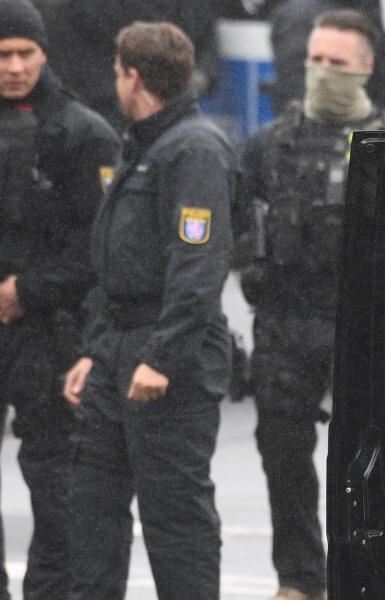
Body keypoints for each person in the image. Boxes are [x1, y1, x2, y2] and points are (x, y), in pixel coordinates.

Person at [236, 9, 385, 599]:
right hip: (287, 323)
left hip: (368, 326)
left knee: (373, 463)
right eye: (315, 60)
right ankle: (298, 579)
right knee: (283, 455)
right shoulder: (268, 146)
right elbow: (236, 225)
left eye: (336, 62)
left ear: (366, 67)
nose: (322, 71)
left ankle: (371, 577)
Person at [62, 21, 235, 600]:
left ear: (132, 77)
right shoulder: (142, 145)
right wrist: (94, 351)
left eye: (117, 71)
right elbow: (114, 265)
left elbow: (199, 264)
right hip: (117, 346)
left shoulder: (194, 149)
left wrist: (162, 358)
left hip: (169, 353)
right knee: (91, 506)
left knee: (175, 516)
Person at [0, 1, 120, 597]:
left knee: (55, 482)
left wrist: (23, 291)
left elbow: (99, 249)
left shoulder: (83, 132)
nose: (16, 67)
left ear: (44, 52)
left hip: (49, 330)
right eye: (3, 55)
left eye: (26, 53)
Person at [35, 0, 222, 132]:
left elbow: (206, 47)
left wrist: (196, 77)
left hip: (168, 112)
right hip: (104, 107)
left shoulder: (191, 6)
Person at [266, 0, 385, 114]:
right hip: (326, 126)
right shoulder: (300, 16)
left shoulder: (364, 6)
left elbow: (380, 56)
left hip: (369, 121)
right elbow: (297, 81)